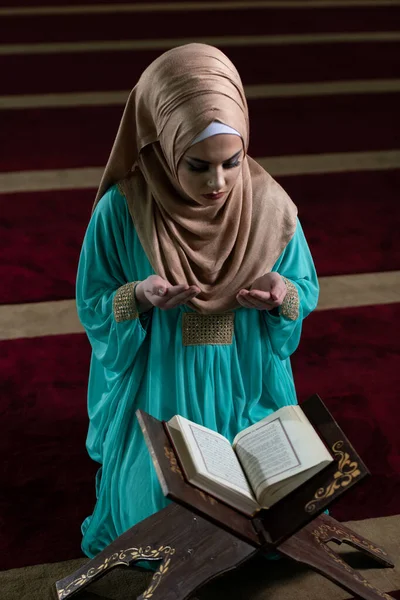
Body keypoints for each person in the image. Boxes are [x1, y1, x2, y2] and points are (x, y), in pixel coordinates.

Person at [76, 43, 319, 560]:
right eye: (198, 166)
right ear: (164, 148)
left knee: (283, 519)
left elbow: (302, 290)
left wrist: (282, 295)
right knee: (162, 530)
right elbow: (93, 301)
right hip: (163, 394)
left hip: (247, 383)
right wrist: (138, 296)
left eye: (233, 162)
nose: (219, 183)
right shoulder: (124, 211)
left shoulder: (269, 204)